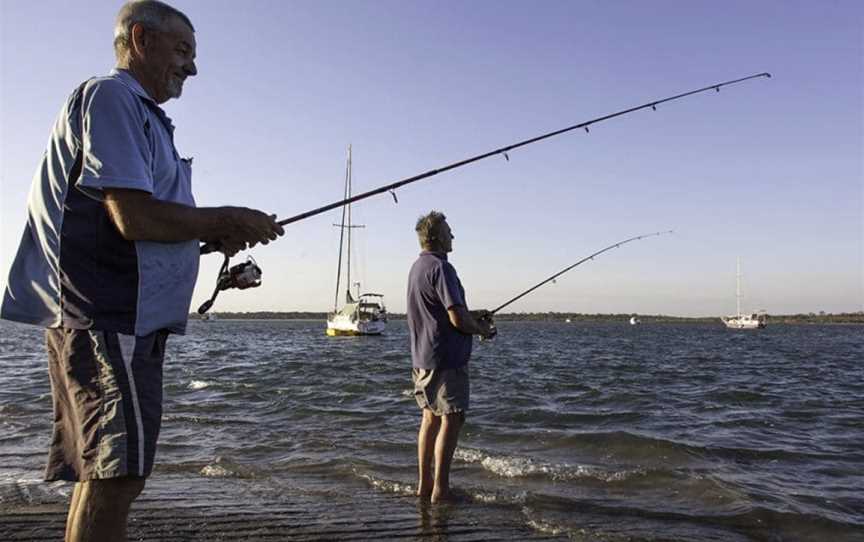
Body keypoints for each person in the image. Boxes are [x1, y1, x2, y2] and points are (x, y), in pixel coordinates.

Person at [0, 2, 283, 541]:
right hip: (107, 317)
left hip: (122, 318)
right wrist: (228, 216)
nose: (192, 68)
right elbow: (132, 216)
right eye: (183, 51)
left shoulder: (140, 113)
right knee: (117, 476)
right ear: (140, 39)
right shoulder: (112, 97)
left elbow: (132, 226)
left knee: (106, 473)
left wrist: (207, 235)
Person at [406, 211, 496, 503]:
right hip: (446, 359)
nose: (452, 236)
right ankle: (441, 490)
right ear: (437, 237)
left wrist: (473, 315)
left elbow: (440, 314)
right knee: (452, 419)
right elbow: (456, 319)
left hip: (422, 358)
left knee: (430, 418)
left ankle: (425, 485)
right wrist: (480, 329)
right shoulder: (443, 269)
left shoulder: (417, 268)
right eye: (448, 231)